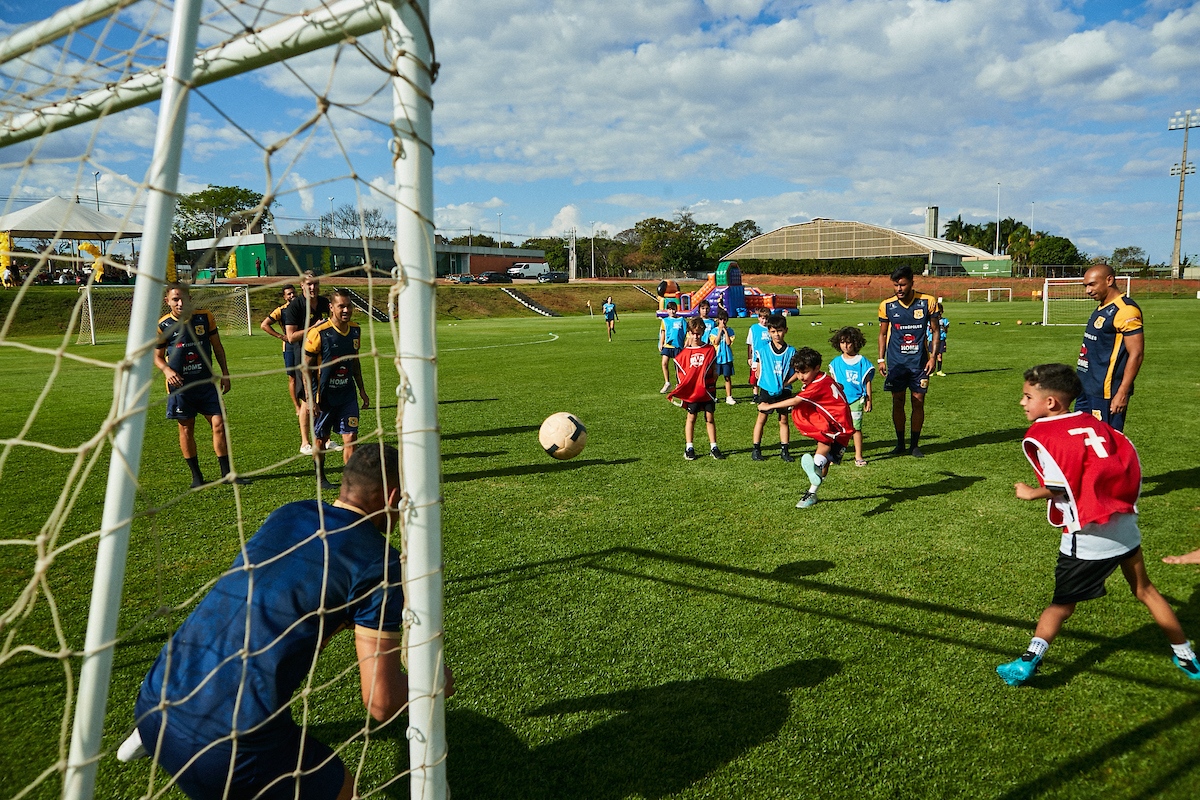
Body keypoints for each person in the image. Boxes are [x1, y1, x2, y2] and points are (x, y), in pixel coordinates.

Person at [121, 444, 455, 799]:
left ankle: (146, 739)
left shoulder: (291, 512)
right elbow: (380, 703)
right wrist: (433, 684)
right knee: (342, 787)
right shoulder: (380, 564)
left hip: (153, 700)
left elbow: (280, 592)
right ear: (393, 496)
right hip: (226, 754)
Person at [996, 363, 1199, 686]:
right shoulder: (1094, 423)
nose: (1022, 402)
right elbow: (1122, 461)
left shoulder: (1044, 435)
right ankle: (1186, 653)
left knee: (1061, 606)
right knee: (1145, 590)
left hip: (1087, 534)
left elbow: (1062, 484)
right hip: (1124, 525)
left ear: (1051, 403)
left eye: (1027, 396)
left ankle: (1028, 660)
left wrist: (1032, 493)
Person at [154, 283, 242, 488]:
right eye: (175, 299)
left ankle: (227, 474)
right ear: (167, 301)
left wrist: (225, 373)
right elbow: (157, 357)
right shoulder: (163, 325)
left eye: (183, 298)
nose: (180, 302)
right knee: (186, 429)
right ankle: (196, 477)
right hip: (181, 388)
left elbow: (217, 347)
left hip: (205, 384)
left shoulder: (204, 317)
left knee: (219, 423)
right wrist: (167, 371)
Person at [758, 347, 855, 508]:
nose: (801, 377)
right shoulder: (823, 377)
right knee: (827, 457)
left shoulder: (816, 385)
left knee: (823, 446)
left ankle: (815, 470)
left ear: (816, 368)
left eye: (805, 372)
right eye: (798, 372)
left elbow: (796, 401)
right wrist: (787, 382)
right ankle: (813, 491)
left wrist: (770, 406)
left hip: (839, 425)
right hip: (839, 422)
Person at [305, 289, 370, 490]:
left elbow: (355, 362)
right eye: (341, 306)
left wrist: (362, 390)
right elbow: (305, 368)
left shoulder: (355, 330)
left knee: (350, 438)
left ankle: (350, 482)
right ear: (331, 307)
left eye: (348, 306)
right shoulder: (318, 333)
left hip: (347, 395)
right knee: (321, 440)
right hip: (324, 397)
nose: (346, 310)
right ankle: (321, 478)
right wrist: (311, 399)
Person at [877, 265, 940, 458]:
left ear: (912, 282)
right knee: (898, 401)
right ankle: (899, 444)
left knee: (918, 402)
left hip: (919, 363)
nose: (899, 289)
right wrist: (881, 359)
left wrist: (932, 357)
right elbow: (882, 334)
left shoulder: (927, 302)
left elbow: (936, 331)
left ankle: (914, 445)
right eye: (895, 285)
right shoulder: (886, 305)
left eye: (902, 285)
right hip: (896, 363)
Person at [1076, 264, 1143, 432]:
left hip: (1106, 392)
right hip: (1087, 387)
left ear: (1109, 280)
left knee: (1106, 444)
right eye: (1086, 286)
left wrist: (1122, 392)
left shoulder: (1125, 310)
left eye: (1092, 284)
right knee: (1084, 441)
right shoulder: (1101, 308)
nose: (1088, 290)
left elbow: (1136, 353)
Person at [284, 272, 331, 454]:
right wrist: (314, 327)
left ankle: (324, 438)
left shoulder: (324, 302)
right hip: (303, 357)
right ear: (302, 285)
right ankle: (305, 442)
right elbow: (291, 336)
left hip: (323, 356)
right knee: (307, 399)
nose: (313, 288)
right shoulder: (295, 306)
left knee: (324, 395)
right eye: (309, 284)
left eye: (316, 284)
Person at [260, 285, 309, 454]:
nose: (292, 295)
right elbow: (264, 325)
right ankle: (297, 406)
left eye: (293, 292)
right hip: (289, 347)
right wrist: (281, 337)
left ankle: (305, 405)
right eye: (289, 294)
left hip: (305, 345)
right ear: (284, 297)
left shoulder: (303, 307)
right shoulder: (281, 311)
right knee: (292, 378)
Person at [668, 316, 724, 460]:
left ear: (703, 332)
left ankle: (714, 446)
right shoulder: (684, 353)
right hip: (693, 393)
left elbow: (714, 368)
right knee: (691, 417)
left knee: (710, 418)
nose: (696, 336)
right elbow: (681, 373)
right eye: (693, 333)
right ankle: (689, 447)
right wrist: (681, 388)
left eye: (698, 333)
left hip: (707, 390)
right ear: (689, 333)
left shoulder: (709, 349)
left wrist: (714, 376)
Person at [750, 313, 797, 462]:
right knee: (761, 419)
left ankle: (785, 450)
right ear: (769, 332)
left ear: (786, 330)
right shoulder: (763, 351)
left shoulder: (791, 351)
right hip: (766, 390)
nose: (777, 334)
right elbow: (758, 369)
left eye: (780, 330)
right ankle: (756, 449)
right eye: (773, 331)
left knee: (783, 420)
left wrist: (786, 383)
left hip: (784, 391)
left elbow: (798, 372)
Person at [828, 326, 874, 467]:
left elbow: (867, 382)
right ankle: (833, 456)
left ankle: (858, 456)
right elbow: (832, 383)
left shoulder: (862, 361)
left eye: (848, 342)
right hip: (840, 401)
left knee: (856, 428)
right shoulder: (836, 362)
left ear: (855, 343)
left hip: (856, 399)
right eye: (842, 342)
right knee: (836, 429)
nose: (845, 346)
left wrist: (869, 399)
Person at [709, 308, 737, 405]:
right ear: (718, 320)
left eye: (724, 319)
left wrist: (725, 332)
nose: (723, 322)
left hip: (727, 357)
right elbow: (715, 342)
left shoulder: (730, 331)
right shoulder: (713, 331)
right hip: (716, 357)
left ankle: (729, 396)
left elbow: (729, 343)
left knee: (727, 377)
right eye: (721, 319)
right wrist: (720, 332)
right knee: (714, 377)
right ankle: (713, 395)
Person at [657, 301, 686, 393]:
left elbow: (686, 332)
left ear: (676, 310)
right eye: (670, 309)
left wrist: (685, 344)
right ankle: (667, 383)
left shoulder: (681, 320)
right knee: (664, 363)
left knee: (678, 366)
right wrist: (661, 343)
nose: (672, 311)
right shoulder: (665, 321)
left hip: (678, 346)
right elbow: (663, 332)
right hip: (667, 345)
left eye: (673, 309)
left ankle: (679, 383)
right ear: (667, 310)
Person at [746, 308, 770, 403]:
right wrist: (749, 357)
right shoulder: (753, 328)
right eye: (762, 318)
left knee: (765, 375)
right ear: (758, 318)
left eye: (766, 319)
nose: (764, 321)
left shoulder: (771, 328)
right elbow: (750, 343)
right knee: (754, 377)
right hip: (756, 358)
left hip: (767, 358)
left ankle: (765, 393)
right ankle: (755, 395)